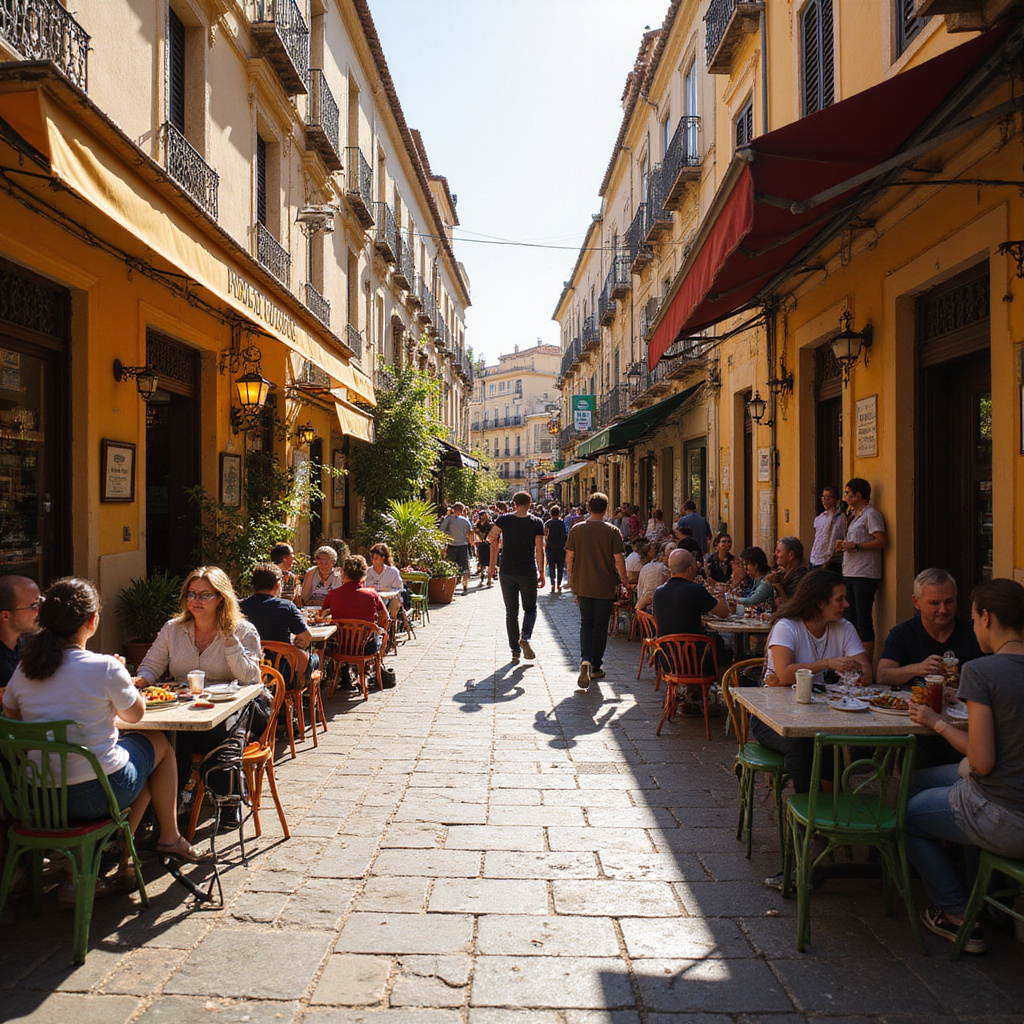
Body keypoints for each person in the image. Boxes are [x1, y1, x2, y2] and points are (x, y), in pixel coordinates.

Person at [2, 578, 208, 909]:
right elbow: (136, 715)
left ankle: (109, 859)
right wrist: (117, 681)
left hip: (38, 798)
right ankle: (166, 837)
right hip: (95, 793)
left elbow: (12, 719)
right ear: (92, 621)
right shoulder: (104, 667)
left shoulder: (25, 668)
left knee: (131, 760)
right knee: (159, 745)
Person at [905, 578, 1024, 954]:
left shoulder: (982, 671)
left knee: (903, 816)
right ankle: (982, 893)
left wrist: (934, 722)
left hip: (1004, 815)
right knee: (916, 781)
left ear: (986, 618)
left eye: (973, 619)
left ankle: (957, 914)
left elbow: (982, 761)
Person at [756, 570, 871, 790]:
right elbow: (784, 674)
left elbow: (865, 669)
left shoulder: (843, 627)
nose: (846, 604)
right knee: (803, 741)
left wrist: (859, 675)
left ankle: (826, 803)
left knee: (825, 739)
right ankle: (806, 812)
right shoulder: (787, 626)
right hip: (772, 717)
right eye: (840, 599)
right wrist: (828, 664)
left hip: (821, 715)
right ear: (819, 603)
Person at [652, 549, 730, 712]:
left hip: (668, 660)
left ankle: (691, 698)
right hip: (694, 662)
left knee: (700, 644)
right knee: (724, 649)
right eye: (695, 567)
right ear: (689, 569)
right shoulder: (695, 590)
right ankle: (719, 699)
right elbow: (724, 612)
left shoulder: (658, 593)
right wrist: (722, 595)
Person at [877, 568, 983, 688]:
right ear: (916, 602)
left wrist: (959, 679)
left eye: (949, 602)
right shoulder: (902, 633)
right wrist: (917, 669)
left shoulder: (974, 633)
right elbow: (882, 676)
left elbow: (990, 678)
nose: (943, 610)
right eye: (935, 603)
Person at [565, 492, 627, 689]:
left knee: (586, 623)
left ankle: (585, 658)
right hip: (605, 585)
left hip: (583, 584)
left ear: (588, 507)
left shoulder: (577, 529)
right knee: (600, 626)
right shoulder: (612, 531)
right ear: (606, 508)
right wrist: (624, 580)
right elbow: (618, 559)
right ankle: (596, 666)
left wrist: (572, 579)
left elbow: (569, 558)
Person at [487, 491, 544, 664]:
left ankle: (515, 651)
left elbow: (491, 537)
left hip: (507, 571)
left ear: (514, 503)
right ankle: (525, 636)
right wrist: (541, 571)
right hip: (527, 571)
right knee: (530, 608)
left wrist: (491, 566)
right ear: (530, 503)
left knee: (511, 612)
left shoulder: (504, 520)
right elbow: (540, 549)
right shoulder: (536, 522)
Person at [321, 555, 390, 688]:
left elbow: (322, 615)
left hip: (340, 647)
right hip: (366, 647)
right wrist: (376, 629)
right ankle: (371, 669)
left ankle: (339, 672)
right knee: (381, 635)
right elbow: (385, 617)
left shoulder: (333, 594)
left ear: (343, 573)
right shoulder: (372, 594)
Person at [240, 562, 315, 680]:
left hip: (249, 671)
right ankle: (304, 695)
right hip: (283, 673)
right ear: (277, 584)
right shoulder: (286, 606)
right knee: (314, 658)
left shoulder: (239, 607)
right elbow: (307, 636)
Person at [838, 477, 886, 656]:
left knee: (863, 619)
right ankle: (852, 658)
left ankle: (866, 663)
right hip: (850, 570)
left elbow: (880, 541)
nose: (846, 498)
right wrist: (844, 545)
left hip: (865, 573)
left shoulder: (871, 514)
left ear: (859, 495)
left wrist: (856, 546)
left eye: (848, 494)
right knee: (850, 618)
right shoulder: (854, 515)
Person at [0, 574, 40, 688]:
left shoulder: (32, 647)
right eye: (33, 605)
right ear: (5, 616)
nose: (38, 611)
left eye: (40, 602)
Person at [440, 502, 475, 595]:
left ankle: (450, 589)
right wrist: (471, 542)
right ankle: (465, 588)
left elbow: (441, 531)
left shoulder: (448, 519)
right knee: (464, 568)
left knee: (451, 567)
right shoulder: (465, 520)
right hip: (462, 546)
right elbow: (470, 532)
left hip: (452, 546)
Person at [809, 486, 846, 572]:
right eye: (823, 497)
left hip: (831, 559)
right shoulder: (819, 518)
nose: (825, 500)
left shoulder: (841, 517)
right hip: (816, 558)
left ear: (835, 499)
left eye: (828, 497)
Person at [365, 543, 404, 620]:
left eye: (376, 558)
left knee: (395, 601)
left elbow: (398, 589)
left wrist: (385, 591)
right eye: (372, 558)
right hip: (373, 600)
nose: (373, 561)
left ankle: (391, 623)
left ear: (383, 558)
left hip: (389, 598)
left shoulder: (393, 572)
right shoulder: (368, 572)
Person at [635, 540, 674, 613]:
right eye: (669, 556)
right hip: (653, 614)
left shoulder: (647, 566)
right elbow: (649, 596)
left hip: (643, 612)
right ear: (662, 556)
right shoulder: (662, 569)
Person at [768, 536, 808, 604]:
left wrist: (777, 586)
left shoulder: (800, 576)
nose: (775, 554)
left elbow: (792, 604)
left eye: (778, 551)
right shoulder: (783, 573)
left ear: (790, 555)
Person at [732, 547, 774, 612]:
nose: (745, 568)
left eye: (747, 564)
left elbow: (752, 600)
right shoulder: (752, 581)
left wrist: (732, 599)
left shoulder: (766, 582)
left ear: (755, 565)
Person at [544, 505, 568, 593]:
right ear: (559, 513)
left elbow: (546, 536)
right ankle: (559, 584)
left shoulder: (548, 523)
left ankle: (552, 583)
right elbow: (564, 535)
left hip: (550, 547)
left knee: (551, 566)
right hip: (560, 547)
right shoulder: (562, 523)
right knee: (560, 566)